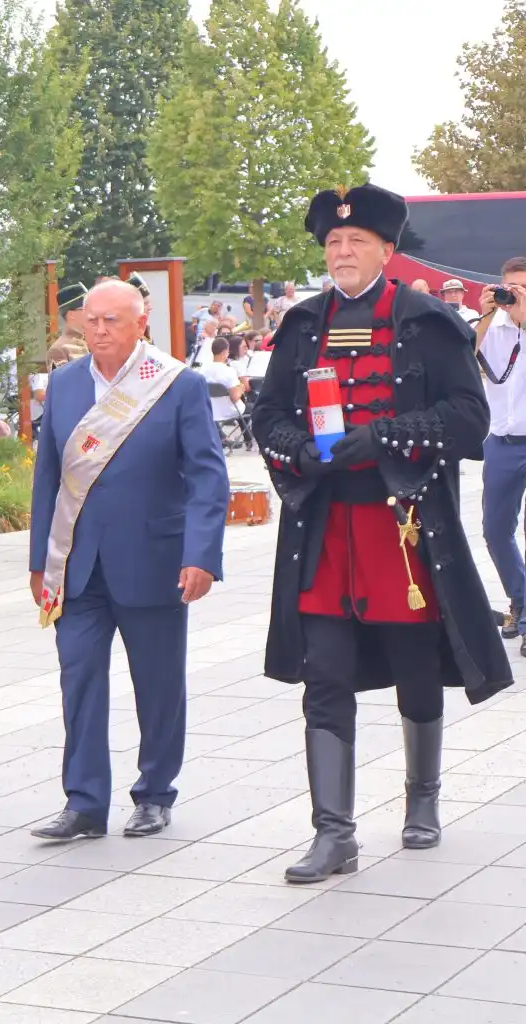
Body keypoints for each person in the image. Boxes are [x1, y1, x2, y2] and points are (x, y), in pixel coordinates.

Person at [253, 183, 511, 883]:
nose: (342, 251)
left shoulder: (428, 321)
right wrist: (296, 450)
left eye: (356, 242)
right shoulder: (302, 325)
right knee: (324, 675)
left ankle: (421, 800)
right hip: (325, 529)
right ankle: (333, 833)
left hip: (403, 531)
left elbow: (468, 421)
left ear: (386, 251)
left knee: (415, 668)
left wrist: (385, 437)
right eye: (333, 243)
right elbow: (267, 414)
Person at [28, 280, 229, 841]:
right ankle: (85, 802)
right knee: (79, 678)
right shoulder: (65, 384)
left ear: (141, 324)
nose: (98, 331)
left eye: (112, 321)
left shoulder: (176, 385)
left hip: (154, 558)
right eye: (90, 321)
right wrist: (39, 557)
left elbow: (208, 476)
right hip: (77, 564)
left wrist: (202, 554)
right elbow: (49, 477)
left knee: (158, 683)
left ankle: (155, 793)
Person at [477, 261, 526, 646]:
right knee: (495, 531)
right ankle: (522, 602)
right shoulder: (491, 326)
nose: (515, 295)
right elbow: (460, 359)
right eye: (509, 287)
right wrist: (485, 314)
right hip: (501, 442)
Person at [48, 284, 89, 367]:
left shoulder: (90, 343)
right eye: (85, 310)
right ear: (71, 315)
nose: (90, 314)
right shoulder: (58, 349)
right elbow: (62, 379)